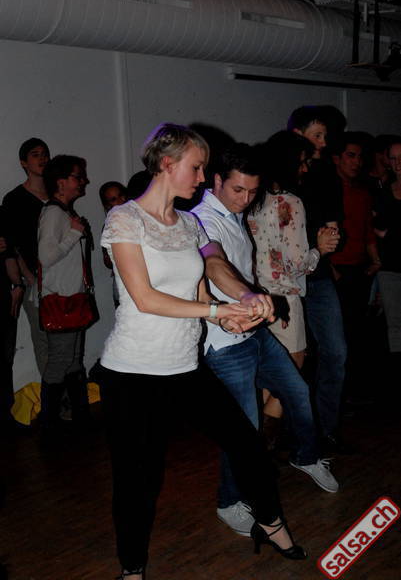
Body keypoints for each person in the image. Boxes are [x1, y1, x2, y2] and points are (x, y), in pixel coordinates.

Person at [99, 123, 306, 580]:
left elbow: (208, 270)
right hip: (133, 372)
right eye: (196, 168)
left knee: (247, 444)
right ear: (167, 164)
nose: (201, 178)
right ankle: (132, 570)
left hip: (185, 366)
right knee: (139, 479)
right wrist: (215, 311)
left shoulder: (190, 223)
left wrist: (234, 309)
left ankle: (270, 522)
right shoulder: (124, 219)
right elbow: (145, 298)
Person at [192, 141, 338, 539]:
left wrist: (257, 300)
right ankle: (229, 502)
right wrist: (247, 296)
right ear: (217, 181)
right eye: (238, 189)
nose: (245, 199)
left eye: (252, 191)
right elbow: (214, 264)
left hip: (253, 329)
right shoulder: (203, 219)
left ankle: (306, 456)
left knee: (297, 391)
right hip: (225, 340)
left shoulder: (235, 212)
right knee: (243, 427)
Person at [248, 131, 339, 447]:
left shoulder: (252, 200)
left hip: (255, 295)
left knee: (266, 374)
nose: (304, 168)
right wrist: (320, 249)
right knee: (293, 371)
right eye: (301, 162)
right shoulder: (290, 202)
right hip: (284, 297)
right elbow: (297, 263)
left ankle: (253, 442)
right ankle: (263, 442)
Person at [287, 107, 348, 454]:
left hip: (319, 276)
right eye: (317, 136)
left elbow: (333, 223)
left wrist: (332, 236)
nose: (323, 143)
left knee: (336, 352)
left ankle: (325, 431)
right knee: (292, 357)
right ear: (297, 135)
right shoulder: (280, 174)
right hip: (286, 280)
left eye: (326, 136)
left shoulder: (326, 172)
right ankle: (290, 431)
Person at [36, 155, 91, 437]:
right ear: (60, 182)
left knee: (73, 360)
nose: (83, 181)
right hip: (61, 300)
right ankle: (49, 422)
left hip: (72, 298)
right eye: (77, 176)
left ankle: (77, 417)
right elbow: (46, 257)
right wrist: (74, 233)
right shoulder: (53, 213)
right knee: (61, 360)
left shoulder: (62, 212)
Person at [330, 133, 381, 401]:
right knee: (339, 338)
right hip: (336, 271)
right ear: (336, 158)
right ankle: (341, 396)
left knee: (358, 334)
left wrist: (375, 261)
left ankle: (355, 394)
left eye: (359, 157)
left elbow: (368, 231)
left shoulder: (362, 193)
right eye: (351, 155)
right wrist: (330, 269)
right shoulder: (328, 191)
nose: (356, 162)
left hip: (360, 271)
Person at [2, 138, 50, 377]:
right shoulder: (15, 199)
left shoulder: (57, 194)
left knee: (65, 342)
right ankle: (54, 396)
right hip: (33, 280)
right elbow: (11, 245)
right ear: (23, 162)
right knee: (44, 341)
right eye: (35, 154)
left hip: (62, 278)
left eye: (44, 154)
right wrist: (28, 277)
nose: (42, 159)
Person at [373, 138, 401, 381]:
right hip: (390, 265)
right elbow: (374, 226)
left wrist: (389, 233)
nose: (397, 163)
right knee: (395, 324)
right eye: (393, 158)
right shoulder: (383, 191)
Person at [0, 206, 25, 434]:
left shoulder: (1, 214)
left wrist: (17, 285)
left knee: (5, 359)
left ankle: (5, 416)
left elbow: (8, 254)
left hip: (4, 297)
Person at [99, 182, 128, 307]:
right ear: (107, 205)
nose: (121, 200)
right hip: (124, 287)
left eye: (122, 195)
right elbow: (107, 262)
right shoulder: (110, 226)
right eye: (114, 199)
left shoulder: (140, 218)